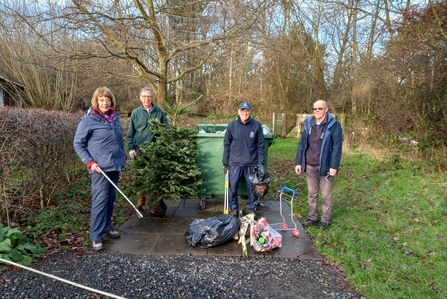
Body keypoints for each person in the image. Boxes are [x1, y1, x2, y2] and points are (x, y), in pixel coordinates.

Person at [73, 87, 127, 251]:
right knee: (100, 200)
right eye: (102, 100)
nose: (105, 102)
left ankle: (107, 226)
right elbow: (78, 144)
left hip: (114, 165)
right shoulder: (88, 120)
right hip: (100, 168)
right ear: (96, 101)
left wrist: (123, 154)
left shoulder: (113, 118)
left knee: (110, 198)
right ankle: (96, 236)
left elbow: (118, 139)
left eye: (108, 99)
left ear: (111, 101)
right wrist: (90, 163)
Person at [294, 100, 343, 230]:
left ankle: (325, 220)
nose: (316, 111)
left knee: (326, 195)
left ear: (326, 109)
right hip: (310, 165)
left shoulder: (334, 125)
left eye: (319, 108)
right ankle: (312, 217)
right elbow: (302, 144)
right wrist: (298, 162)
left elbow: (337, 147)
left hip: (326, 167)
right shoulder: (309, 123)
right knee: (312, 193)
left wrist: (334, 166)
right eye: (314, 108)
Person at [127, 87, 168, 210]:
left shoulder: (159, 112)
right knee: (140, 175)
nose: (147, 99)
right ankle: (141, 200)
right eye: (144, 96)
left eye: (149, 96)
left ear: (153, 98)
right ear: (140, 98)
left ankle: (153, 202)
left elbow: (166, 128)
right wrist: (131, 148)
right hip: (140, 148)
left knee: (154, 175)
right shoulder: (136, 113)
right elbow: (131, 133)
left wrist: (164, 141)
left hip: (155, 149)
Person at [222, 102, 265, 216]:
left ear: (250, 112)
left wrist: (260, 164)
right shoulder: (232, 125)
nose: (245, 113)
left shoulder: (256, 125)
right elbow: (226, 144)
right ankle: (234, 208)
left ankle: (251, 209)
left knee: (252, 189)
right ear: (238, 112)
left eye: (247, 111)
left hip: (251, 163)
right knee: (233, 187)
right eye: (242, 111)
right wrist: (225, 162)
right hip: (235, 163)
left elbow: (260, 145)